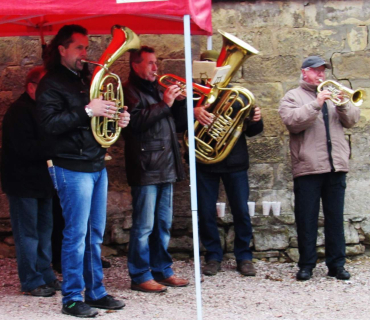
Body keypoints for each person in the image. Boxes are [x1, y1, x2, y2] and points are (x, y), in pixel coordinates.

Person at [36, 24, 129, 317]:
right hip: (69, 165)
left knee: (95, 233)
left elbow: (99, 121)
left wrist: (117, 117)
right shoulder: (50, 83)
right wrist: (89, 110)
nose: (85, 54)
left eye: (87, 48)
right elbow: (49, 125)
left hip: (95, 163)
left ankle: (96, 292)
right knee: (76, 235)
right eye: (79, 47)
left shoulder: (86, 79)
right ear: (61, 49)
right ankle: (72, 298)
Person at [279, 56, 360, 281]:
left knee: (335, 219)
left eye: (323, 70)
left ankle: (337, 265)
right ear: (304, 72)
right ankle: (306, 265)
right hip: (308, 167)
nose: (321, 75)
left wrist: (343, 104)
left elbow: (353, 120)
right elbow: (293, 122)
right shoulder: (292, 97)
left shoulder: (335, 95)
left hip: (336, 166)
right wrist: (316, 103)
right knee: (307, 219)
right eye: (316, 71)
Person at [123, 46, 189, 293]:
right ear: (135, 65)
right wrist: (165, 103)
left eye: (156, 63)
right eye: (150, 63)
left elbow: (177, 125)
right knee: (143, 227)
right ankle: (139, 275)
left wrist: (178, 104)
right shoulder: (128, 90)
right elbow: (135, 123)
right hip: (145, 168)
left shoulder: (156, 90)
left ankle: (161, 270)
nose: (155, 68)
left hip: (166, 167)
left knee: (163, 224)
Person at [194, 50, 263, 277]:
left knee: (241, 211)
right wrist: (193, 112)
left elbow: (253, 131)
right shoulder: (193, 95)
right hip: (204, 161)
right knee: (205, 212)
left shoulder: (238, 95)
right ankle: (213, 256)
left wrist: (256, 119)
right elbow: (177, 123)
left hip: (234, 161)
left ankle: (244, 256)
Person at [1, 66, 60, 297]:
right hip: (22, 183)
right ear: (31, 87)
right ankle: (31, 281)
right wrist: (57, 147)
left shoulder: (41, 109)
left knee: (45, 232)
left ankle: (45, 275)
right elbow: (25, 149)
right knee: (28, 234)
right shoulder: (19, 112)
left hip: (42, 182)